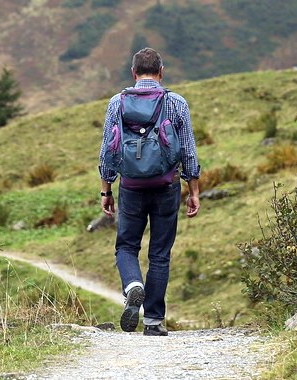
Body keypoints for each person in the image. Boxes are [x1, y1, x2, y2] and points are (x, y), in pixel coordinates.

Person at [98, 47, 200, 336]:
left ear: (133, 73)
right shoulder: (176, 103)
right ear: (161, 71)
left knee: (126, 246)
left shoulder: (117, 103)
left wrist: (106, 189)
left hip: (130, 186)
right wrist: (193, 189)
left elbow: (107, 149)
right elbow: (189, 151)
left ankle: (133, 285)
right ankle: (153, 321)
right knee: (160, 253)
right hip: (167, 185)